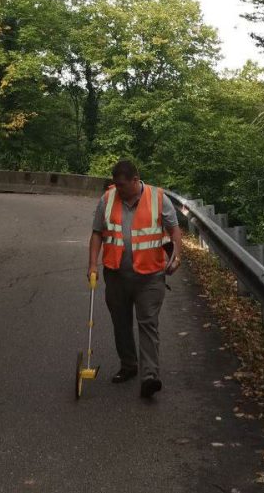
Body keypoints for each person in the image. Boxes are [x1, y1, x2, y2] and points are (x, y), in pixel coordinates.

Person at [87, 159, 182, 399]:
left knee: (148, 322)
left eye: (122, 185)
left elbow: (174, 229)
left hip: (150, 275)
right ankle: (129, 366)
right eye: (116, 185)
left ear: (135, 180)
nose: (118, 189)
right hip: (116, 274)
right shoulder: (107, 199)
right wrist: (92, 265)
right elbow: (97, 233)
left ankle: (150, 376)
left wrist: (177, 256)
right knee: (121, 322)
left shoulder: (159, 198)